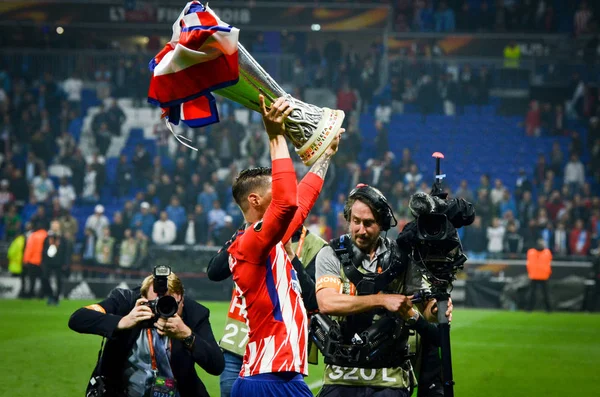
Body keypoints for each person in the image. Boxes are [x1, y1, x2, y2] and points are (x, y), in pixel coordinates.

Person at [227, 95, 342, 397]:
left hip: (275, 377)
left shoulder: (270, 239)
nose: (280, 189)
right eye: (272, 188)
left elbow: (300, 203)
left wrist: (325, 155)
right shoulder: (248, 244)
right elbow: (288, 201)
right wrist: (275, 135)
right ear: (255, 200)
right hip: (268, 380)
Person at [314, 184, 452, 397]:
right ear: (348, 219)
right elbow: (327, 303)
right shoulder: (330, 254)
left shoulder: (402, 257)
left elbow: (426, 311)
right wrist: (382, 300)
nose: (361, 229)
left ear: (382, 223)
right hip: (340, 377)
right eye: (355, 222)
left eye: (368, 223)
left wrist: (436, 310)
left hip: (391, 379)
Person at [208, 224, 327, 397]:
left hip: (276, 355)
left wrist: (291, 259)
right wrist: (244, 233)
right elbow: (214, 271)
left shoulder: (316, 247)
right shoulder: (251, 231)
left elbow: (314, 301)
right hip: (237, 344)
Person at [68, 267, 224, 397]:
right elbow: (78, 319)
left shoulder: (195, 313)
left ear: (182, 300)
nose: (164, 310)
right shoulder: (127, 302)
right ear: (142, 298)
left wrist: (187, 335)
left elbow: (216, 365)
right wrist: (122, 322)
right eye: (156, 304)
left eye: (170, 305)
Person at [41, 220, 68, 305]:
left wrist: (65, 263)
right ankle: (50, 295)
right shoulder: (47, 238)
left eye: (56, 225)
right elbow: (43, 250)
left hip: (59, 263)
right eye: (54, 225)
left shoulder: (62, 238)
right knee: (44, 278)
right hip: (48, 262)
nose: (55, 227)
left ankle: (56, 298)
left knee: (59, 281)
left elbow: (66, 251)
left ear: (59, 227)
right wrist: (43, 261)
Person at [22, 221, 48, 298]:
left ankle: (31, 293)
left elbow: (29, 249)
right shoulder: (46, 235)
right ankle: (42, 294)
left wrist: (26, 260)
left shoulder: (33, 235)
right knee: (43, 279)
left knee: (32, 280)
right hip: (43, 262)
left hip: (33, 261)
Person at [526, 239, 552, 312]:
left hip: (540, 276)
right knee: (535, 293)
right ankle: (548, 309)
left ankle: (530, 309)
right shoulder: (546, 253)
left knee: (542, 293)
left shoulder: (531, 252)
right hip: (538, 275)